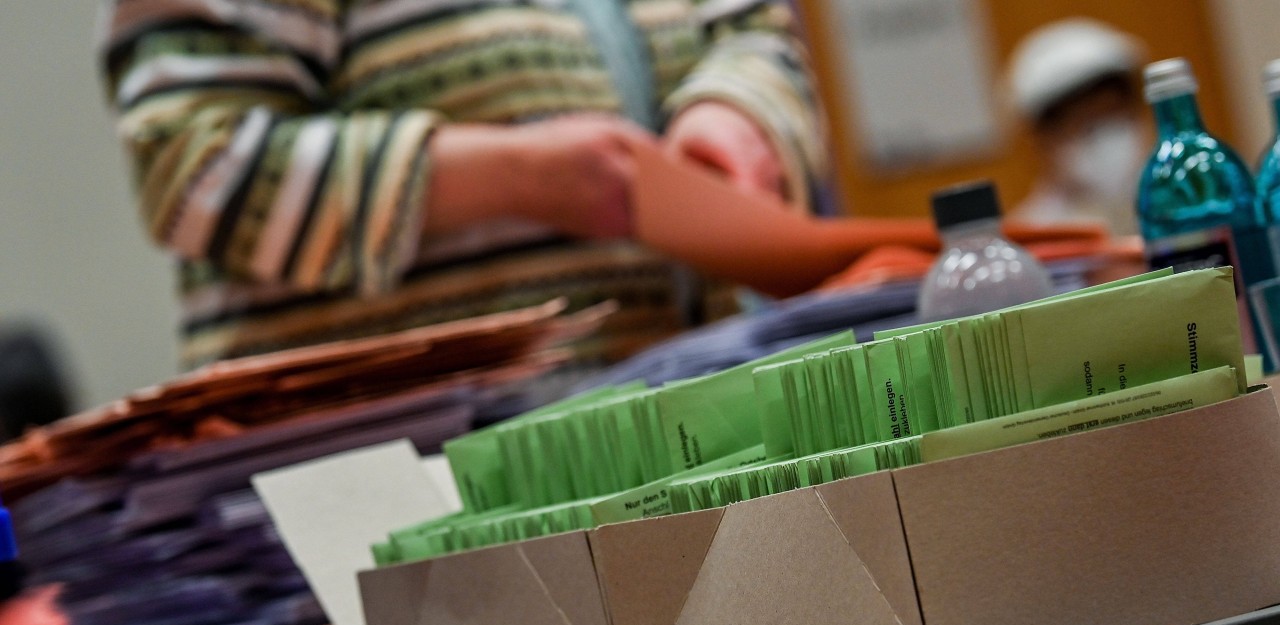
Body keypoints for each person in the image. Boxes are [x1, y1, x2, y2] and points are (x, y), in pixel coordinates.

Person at [97, 0, 828, 381]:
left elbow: (753, 30)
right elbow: (193, 166)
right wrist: (521, 176)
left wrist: (736, 111)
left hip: (666, 438)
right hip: (397, 506)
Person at [1004, 18, 1151, 236]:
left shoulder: (1191, 201)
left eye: (1114, 119)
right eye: (1087, 127)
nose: (1107, 139)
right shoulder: (1029, 240)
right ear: (1045, 140)